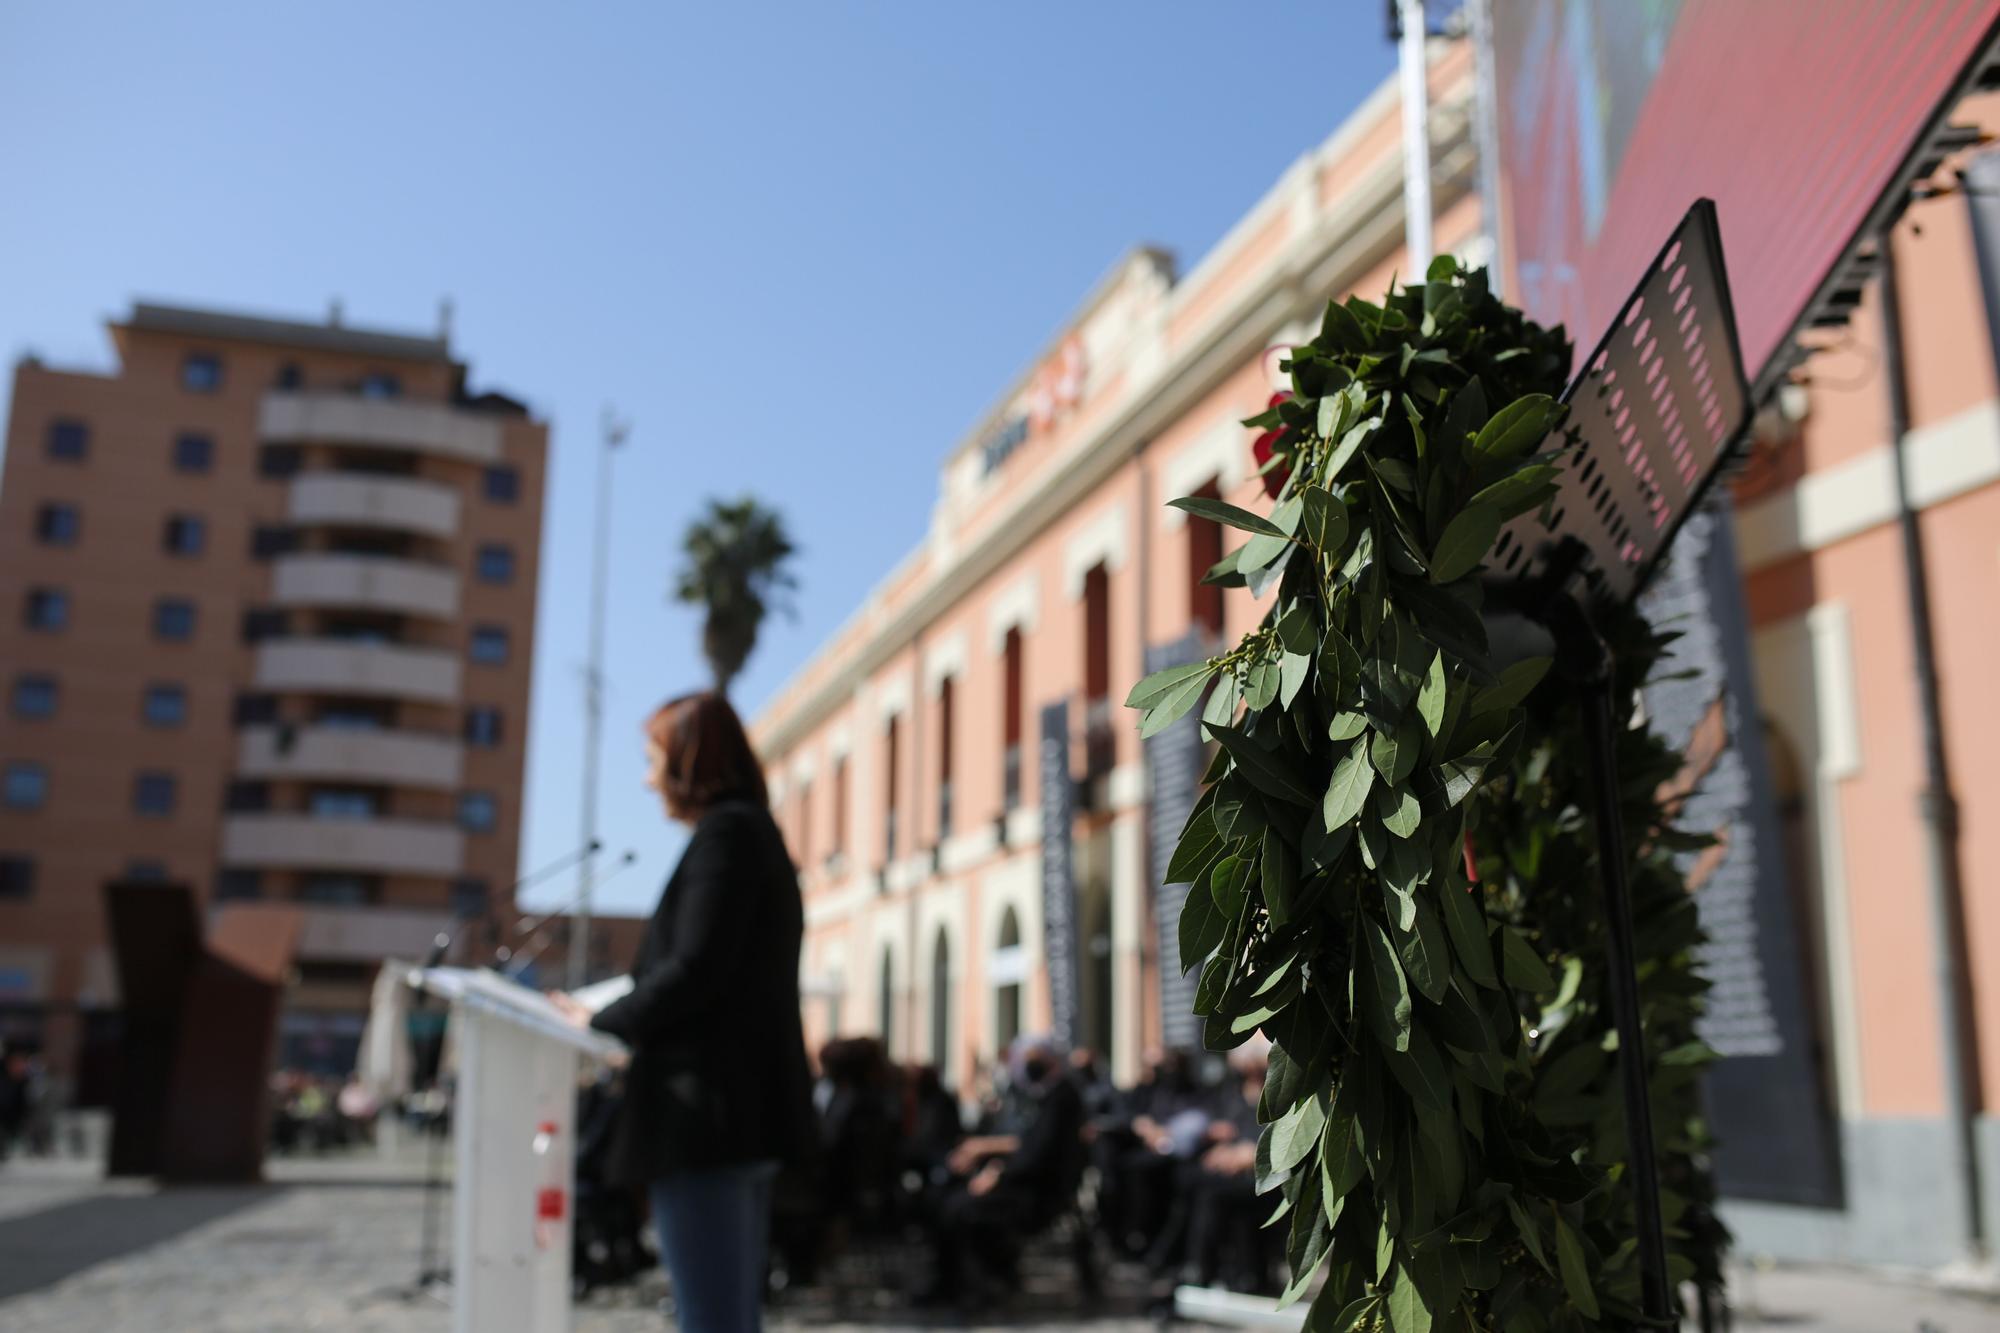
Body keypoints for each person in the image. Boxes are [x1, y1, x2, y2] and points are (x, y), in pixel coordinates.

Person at [550, 691, 815, 1333]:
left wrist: (599, 1020)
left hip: (707, 1120)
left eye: (653, 760)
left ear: (692, 761)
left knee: (713, 1319)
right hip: (736, 1116)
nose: (647, 780)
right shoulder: (750, 832)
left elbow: (694, 969)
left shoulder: (729, 835)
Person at [921, 1034, 1086, 1305]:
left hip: (1040, 1190)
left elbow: (1038, 1153)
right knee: (947, 1201)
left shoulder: (1061, 1097)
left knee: (962, 1210)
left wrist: (999, 1175)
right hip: (1023, 1182)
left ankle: (983, 1282)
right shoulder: (1043, 1095)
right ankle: (961, 1281)